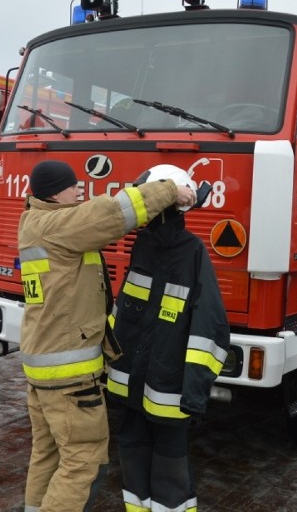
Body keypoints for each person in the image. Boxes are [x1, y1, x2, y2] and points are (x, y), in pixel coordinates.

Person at [18, 160, 196, 512]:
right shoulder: (60, 225)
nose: (78, 192)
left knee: (48, 455)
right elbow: (113, 213)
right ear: (56, 192)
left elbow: (92, 214)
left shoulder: (33, 221)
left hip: (42, 369)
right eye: (72, 187)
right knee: (83, 460)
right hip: (69, 376)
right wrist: (170, 190)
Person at [105, 164, 230, 512]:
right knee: (132, 451)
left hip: (168, 387)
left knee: (168, 465)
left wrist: (193, 389)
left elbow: (211, 326)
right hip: (134, 383)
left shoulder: (191, 251)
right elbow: (127, 311)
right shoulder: (143, 245)